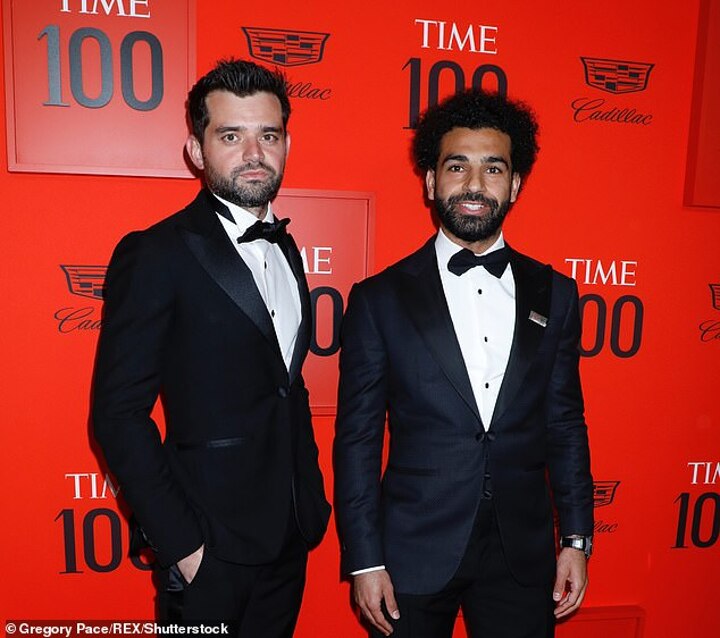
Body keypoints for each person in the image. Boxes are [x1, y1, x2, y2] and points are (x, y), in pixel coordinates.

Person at [333, 89, 593, 638]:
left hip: (522, 555)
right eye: (457, 166)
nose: (475, 184)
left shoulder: (556, 293)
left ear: (514, 184)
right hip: (411, 551)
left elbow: (566, 424)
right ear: (431, 181)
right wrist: (365, 559)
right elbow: (357, 439)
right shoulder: (379, 299)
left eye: (493, 168)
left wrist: (575, 539)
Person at [92, 59, 330, 635]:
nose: (253, 153)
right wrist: (183, 545)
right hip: (208, 548)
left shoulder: (287, 249)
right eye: (230, 136)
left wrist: (308, 499)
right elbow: (118, 415)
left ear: (287, 144)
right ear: (196, 150)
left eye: (268, 135)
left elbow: (285, 387)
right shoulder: (155, 253)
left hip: (289, 535)